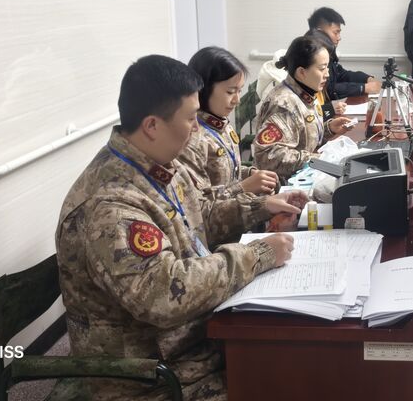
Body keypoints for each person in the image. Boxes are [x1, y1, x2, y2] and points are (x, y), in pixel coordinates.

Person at [55, 55, 304, 401]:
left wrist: (259, 207)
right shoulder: (111, 206)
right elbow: (164, 295)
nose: (199, 129)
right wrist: (257, 255)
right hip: (153, 378)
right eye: (190, 119)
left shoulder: (158, 165)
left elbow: (200, 212)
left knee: (299, 361)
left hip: (194, 341)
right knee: (287, 380)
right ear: (152, 126)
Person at [180, 46, 279, 201]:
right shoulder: (192, 138)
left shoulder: (221, 124)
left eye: (239, 91)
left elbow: (226, 173)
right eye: (230, 92)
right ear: (203, 89)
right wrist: (244, 187)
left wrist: (249, 174)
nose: (237, 100)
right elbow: (199, 205)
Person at [252, 36, 352, 181]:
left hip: (303, 176)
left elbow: (301, 136)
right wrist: (318, 159)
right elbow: (267, 156)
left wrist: (329, 129)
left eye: (327, 67)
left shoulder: (305, 92)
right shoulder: (284, 105)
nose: (327, 74)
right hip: (282, 186)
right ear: (301, 72)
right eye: (322, 69)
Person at [305, 7, 381, 119]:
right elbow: (329, 89)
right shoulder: (310, 55)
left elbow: (340, 73)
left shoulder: (325, 53)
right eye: (336, 32)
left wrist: (366, 78)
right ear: (320, 31)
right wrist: (363, 88)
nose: (339, 38)